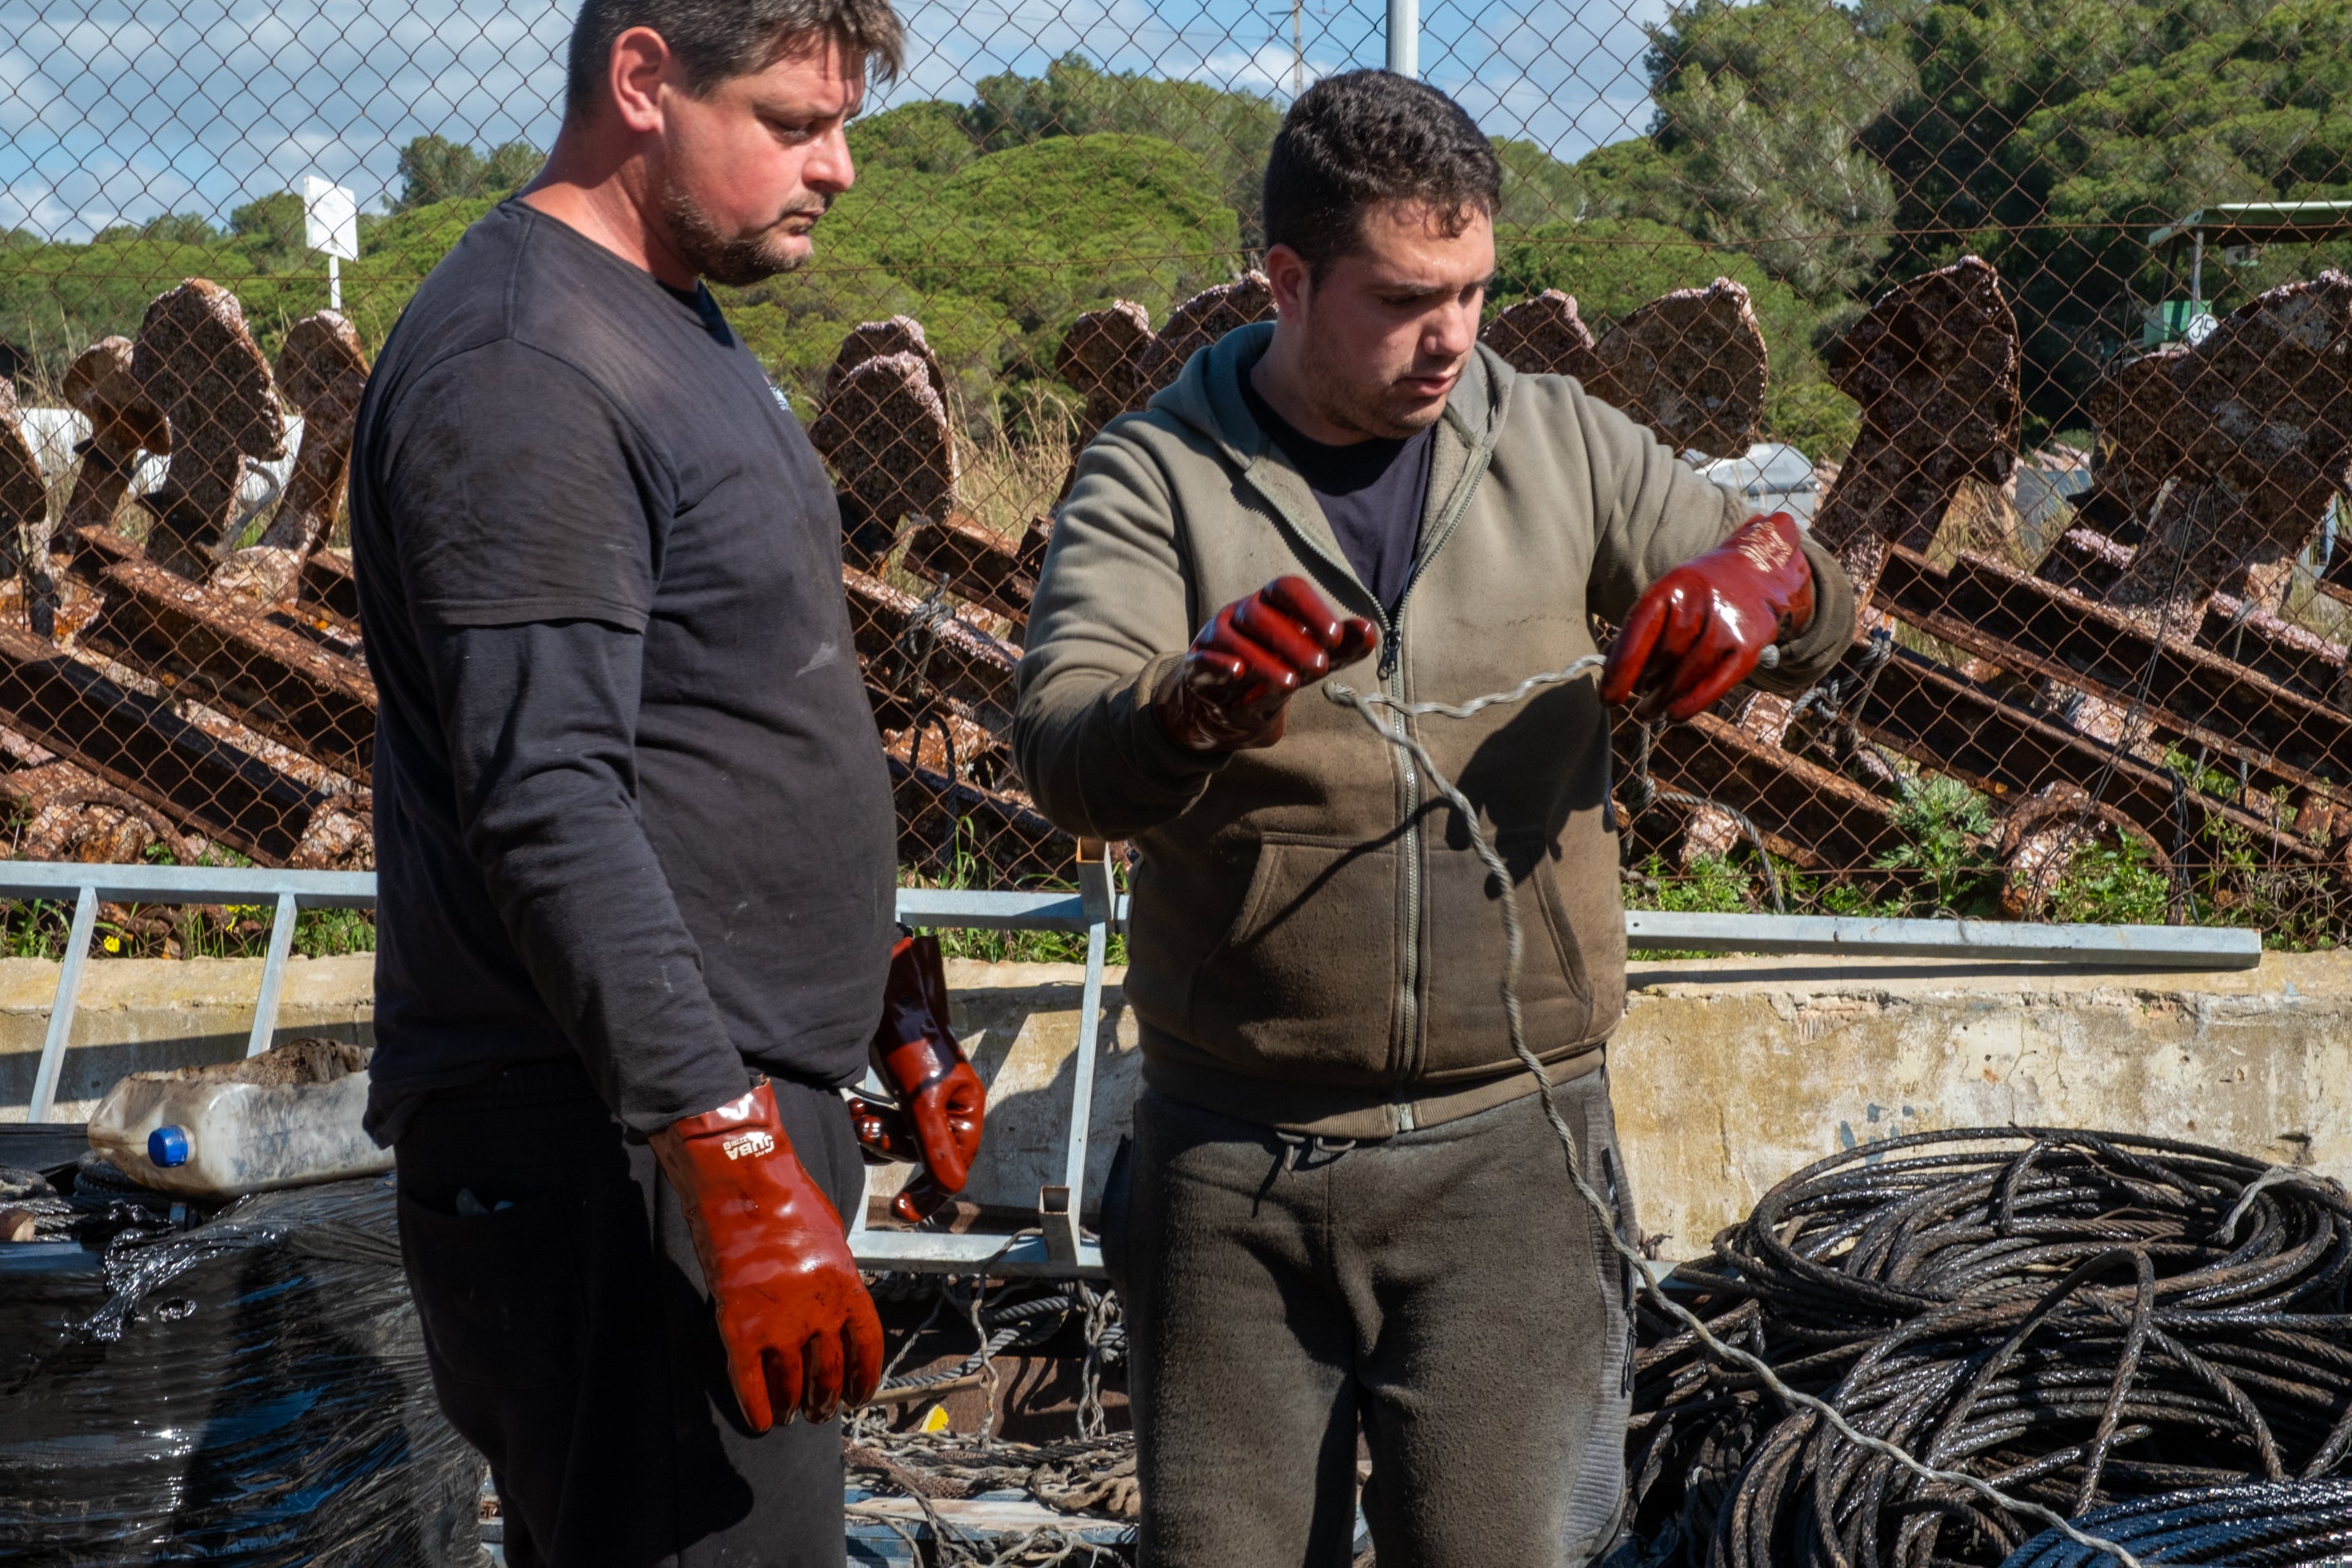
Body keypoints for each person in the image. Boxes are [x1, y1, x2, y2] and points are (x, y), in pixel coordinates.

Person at [1013, 70, 1855, 1568]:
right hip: (1235, 1166)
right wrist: (1187, 705)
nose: (1454, 335)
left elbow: (1811, 596)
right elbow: (1065, 749)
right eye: (1407, 298)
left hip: (1516, 1158)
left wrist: (1767, 580)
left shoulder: (1558, 440)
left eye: (1474, 290)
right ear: (1289, 281)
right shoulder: (1158, 475)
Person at [346, 3, 985, 1564]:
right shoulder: (525, 364)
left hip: (695, 1124)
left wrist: (874, 999)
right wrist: (735, 1164)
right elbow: (548, 801)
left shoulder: (663, 317)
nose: (837, 168)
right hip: (616, 1155)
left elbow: (712, 711)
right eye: (792, 123)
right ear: (642, 80)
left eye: (843, 126)